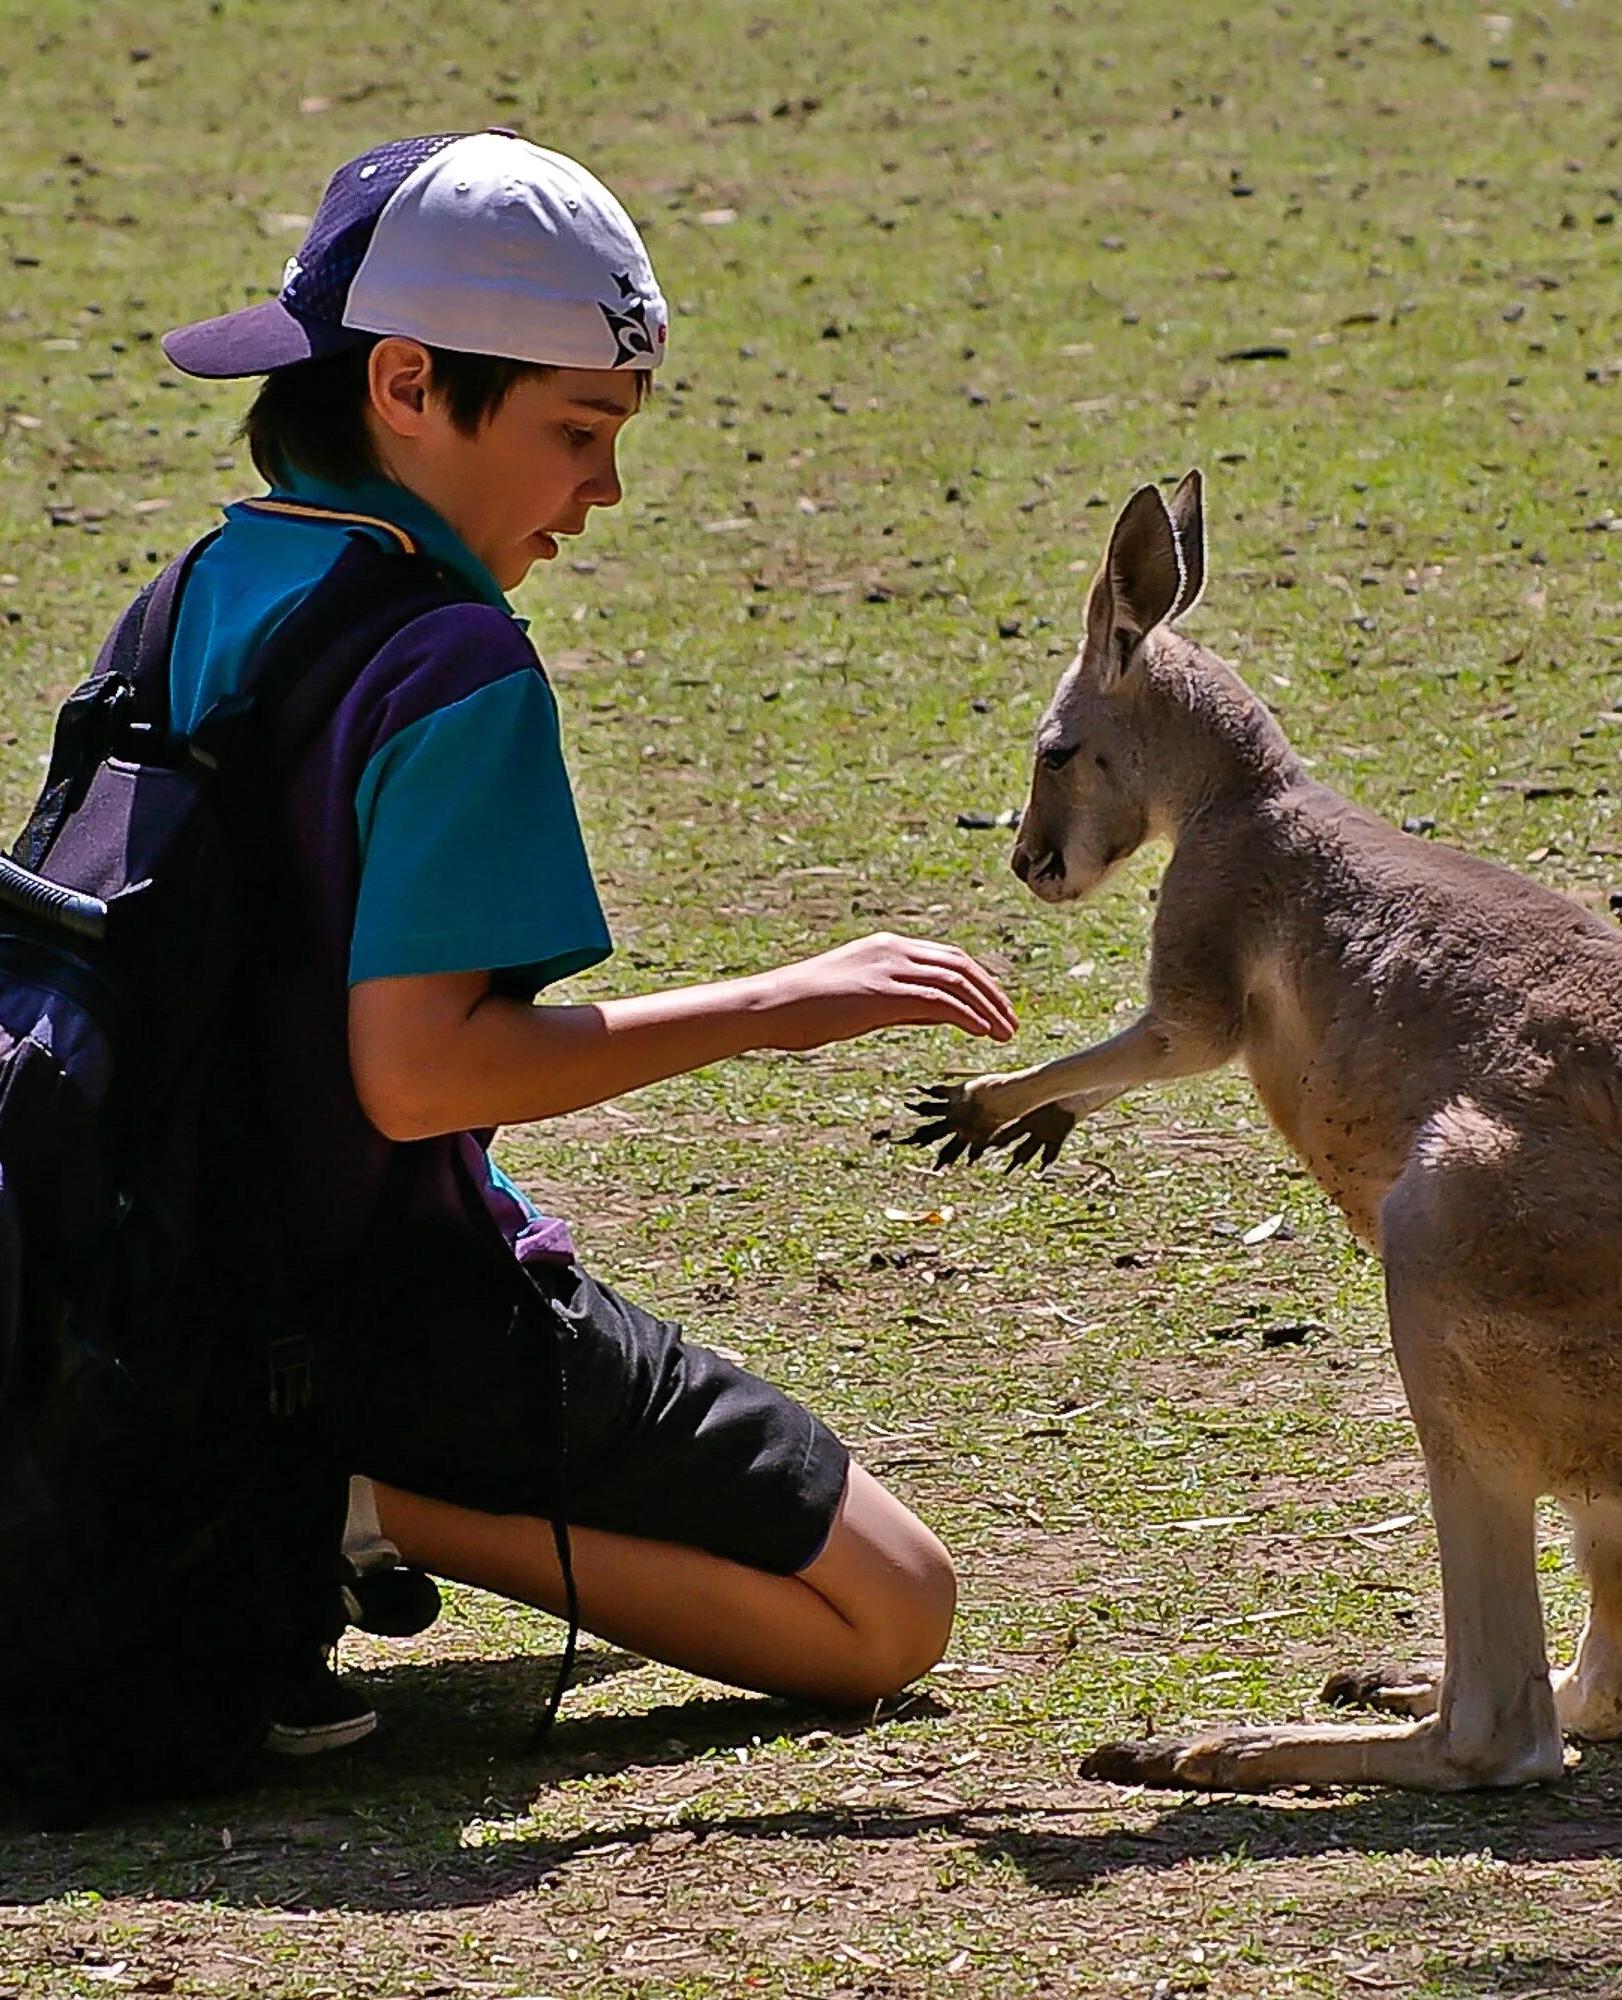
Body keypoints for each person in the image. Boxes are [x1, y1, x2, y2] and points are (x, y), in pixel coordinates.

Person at [154, 130, 1015, 1751]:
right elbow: (417, 1079)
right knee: (886, 1612)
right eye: (576, 431)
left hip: (186, 1278)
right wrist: (777, 1004)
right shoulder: (452, 663)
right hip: (379, 1313)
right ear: (404, 384)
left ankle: (316, 1486)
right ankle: (362, 1501)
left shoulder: (211, 578)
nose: (603, 492)